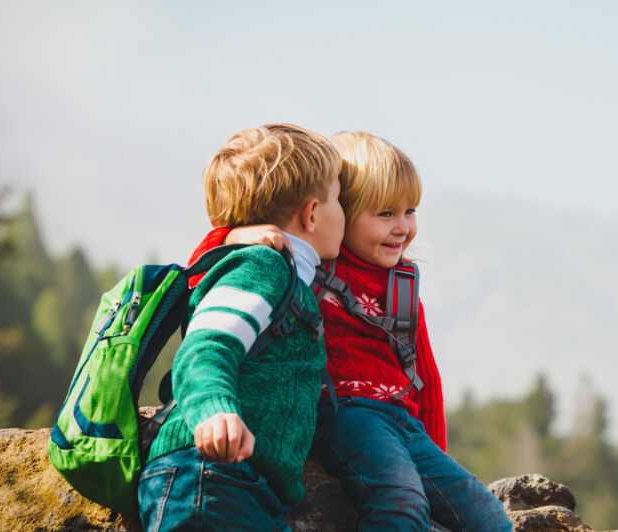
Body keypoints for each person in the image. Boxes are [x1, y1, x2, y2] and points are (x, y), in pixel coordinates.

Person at [187, 130, 512, 531]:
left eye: (410, 211)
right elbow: (205, 271)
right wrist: (237, 235)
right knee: (401, 503)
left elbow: (424, 377)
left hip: (404, 425)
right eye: (385, 214)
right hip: (346, 414)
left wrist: (434, 456)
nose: (403, 228)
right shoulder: (314, 265)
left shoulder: (402, 285)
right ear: (338, 211)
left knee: (490, 518)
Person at [139, 123, 345, 532]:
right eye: (340, 199)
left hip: (244, 486)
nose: (347, 212)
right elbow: (206, 346)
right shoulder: (262, 267)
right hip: (206, 476)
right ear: (313, 213)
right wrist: (214, 410)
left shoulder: (285, 275)